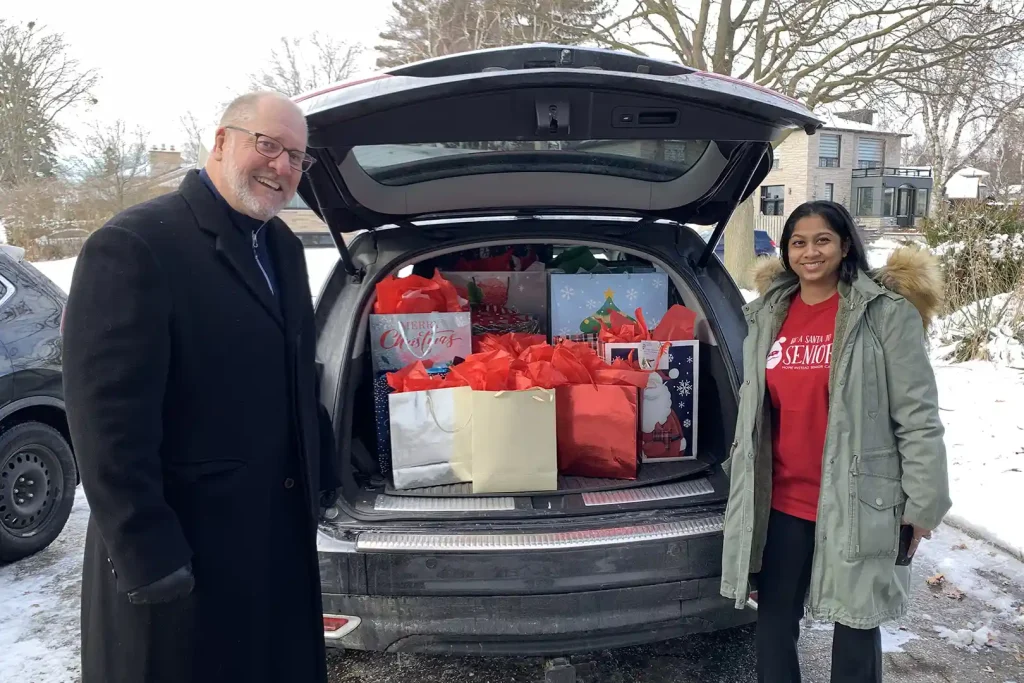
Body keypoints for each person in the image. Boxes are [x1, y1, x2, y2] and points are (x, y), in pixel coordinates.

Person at [62, 90, 340, 683]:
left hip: (270, 540)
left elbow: (295, 379)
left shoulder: (283, 249)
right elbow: (104, 421)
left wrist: (327, 474)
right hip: (182, 557)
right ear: (220, 141)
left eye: (297, 156)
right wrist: (149, 553)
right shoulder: (137, 246)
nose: (283, 167)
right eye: (268, 145)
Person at [719, 200, 951, 683]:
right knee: (774, 623)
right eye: (798, 243)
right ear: (785, 252)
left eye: (822, 240)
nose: (809, 252)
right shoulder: (769, 315)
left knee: (856, 625)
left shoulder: (884, 315)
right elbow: (757, 412)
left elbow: (918, 416)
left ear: (845, 245)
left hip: (858, 500)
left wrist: (923, 504)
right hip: (784, 500)